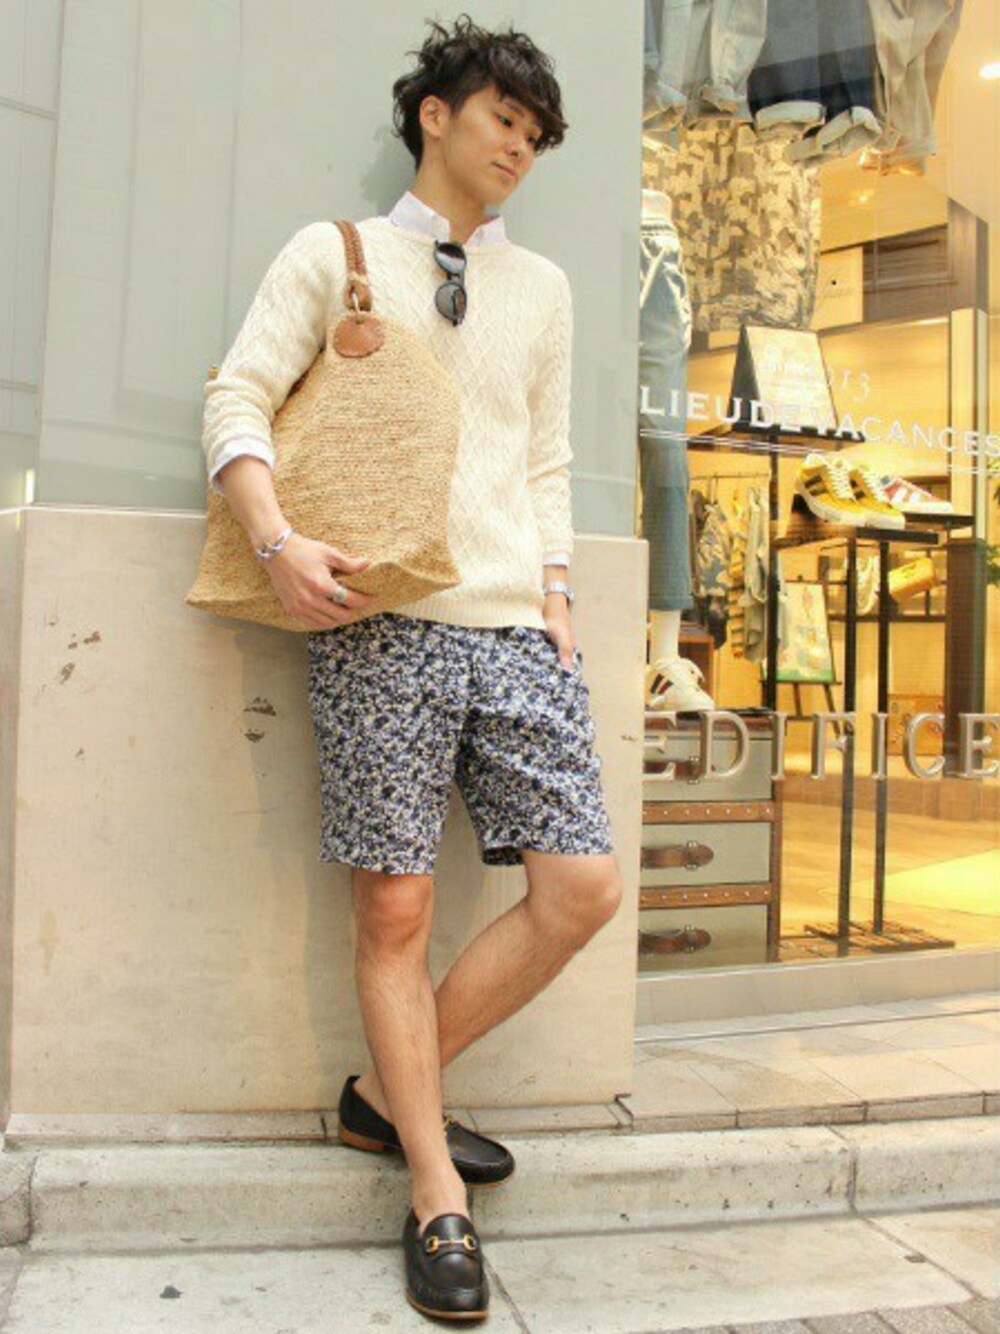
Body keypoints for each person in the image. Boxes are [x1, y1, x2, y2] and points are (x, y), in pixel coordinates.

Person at [201, 15, 623, 1323]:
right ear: (435, 114)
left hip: (514, 623)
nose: (521, 146)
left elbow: (545, 458)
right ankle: (435, 1191)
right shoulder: (335, 254)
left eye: (538, 135)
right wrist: (276, 542)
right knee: (393, 911)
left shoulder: (542, 289)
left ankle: (388, 1094)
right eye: (504, 117)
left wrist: (557, 592)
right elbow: (235, 399)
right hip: (379, 616)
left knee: (583, 887)